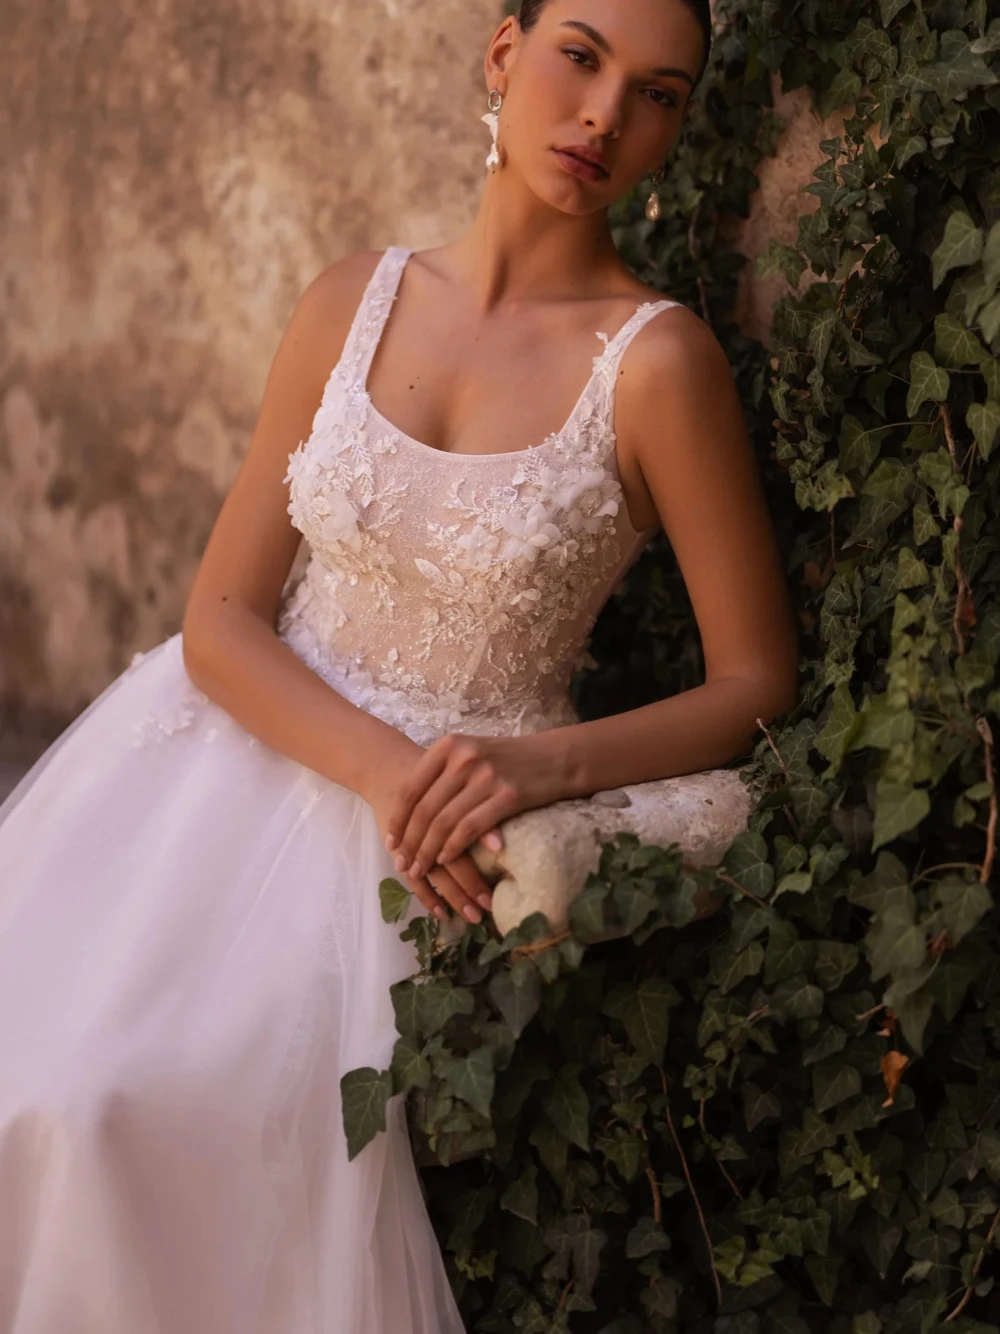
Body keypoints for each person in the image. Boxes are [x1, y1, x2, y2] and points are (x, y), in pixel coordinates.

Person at [0, 0, 800, 1329]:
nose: (604, 114)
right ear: (503, 54)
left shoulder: (658, 366)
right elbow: (221, 618)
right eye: (580, 56)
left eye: (656, 94)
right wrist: (381, 766)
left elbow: (753, 681)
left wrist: (529, 765)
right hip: (222, 767)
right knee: (29, 1075)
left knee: (115, 1113)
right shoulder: (350, 302)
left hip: (429, 847)